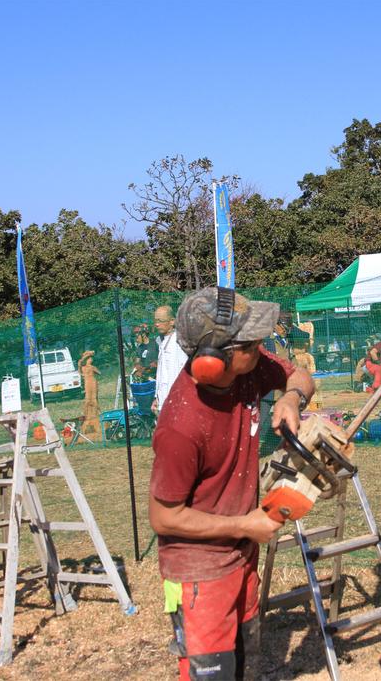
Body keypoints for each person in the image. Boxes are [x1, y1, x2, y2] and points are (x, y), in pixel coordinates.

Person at [149, 287, 315, 680]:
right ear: (212, 360)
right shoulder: (181, 425)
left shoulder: (248, 367)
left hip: (241, 554)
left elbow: (299, 375)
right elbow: (163, 517)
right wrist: (245, 525)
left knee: (241, 662)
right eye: (250, 340)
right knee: (214, 673)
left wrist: (291, 398)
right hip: (199, 572)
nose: (261, 344)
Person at [152, 305, 188, 415]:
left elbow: (181, 374)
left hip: (177, 403)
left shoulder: (179, 342)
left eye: (160, 321)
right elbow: (162, 375)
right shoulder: (162, 341)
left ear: (172, 321)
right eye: (155, 320)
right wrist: (157, 397)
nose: (156, 324)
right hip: (164, 402)